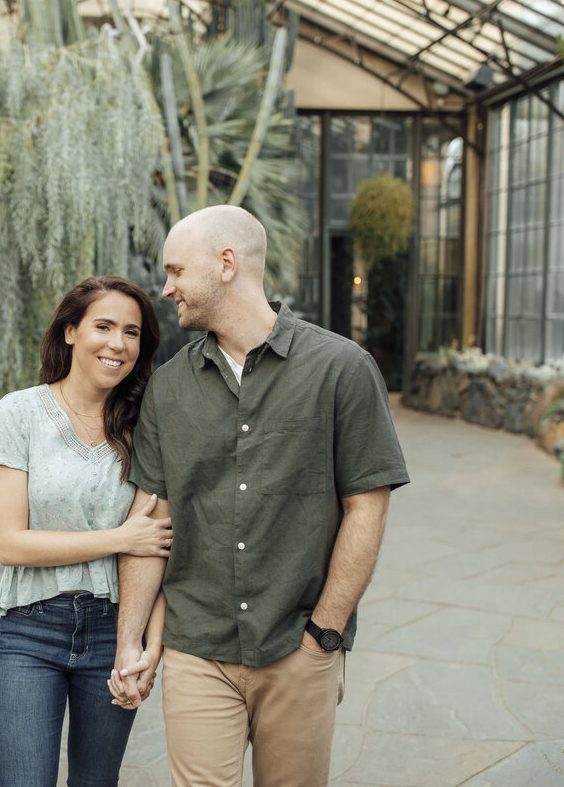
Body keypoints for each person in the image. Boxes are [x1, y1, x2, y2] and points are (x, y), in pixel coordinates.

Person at [108, 206, 410, 787]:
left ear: (226, 264)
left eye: (176, 271)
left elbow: (366, 509)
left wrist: (325, 632)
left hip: (298, 647)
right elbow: (151, 525)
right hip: (197, 647)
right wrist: (133, 642)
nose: (166, 287)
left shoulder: (342, 369)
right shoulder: (168, 388)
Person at [0, 275, 171, 787]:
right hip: (31, 631)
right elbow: (10, 543)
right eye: (103, 326)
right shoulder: (19, 413)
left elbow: (155, 549)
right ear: (70, 331)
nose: (118, 344)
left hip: (115, 631)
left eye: (131, 332)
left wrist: (148, 648)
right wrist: (116, 538)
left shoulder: (145, 425)